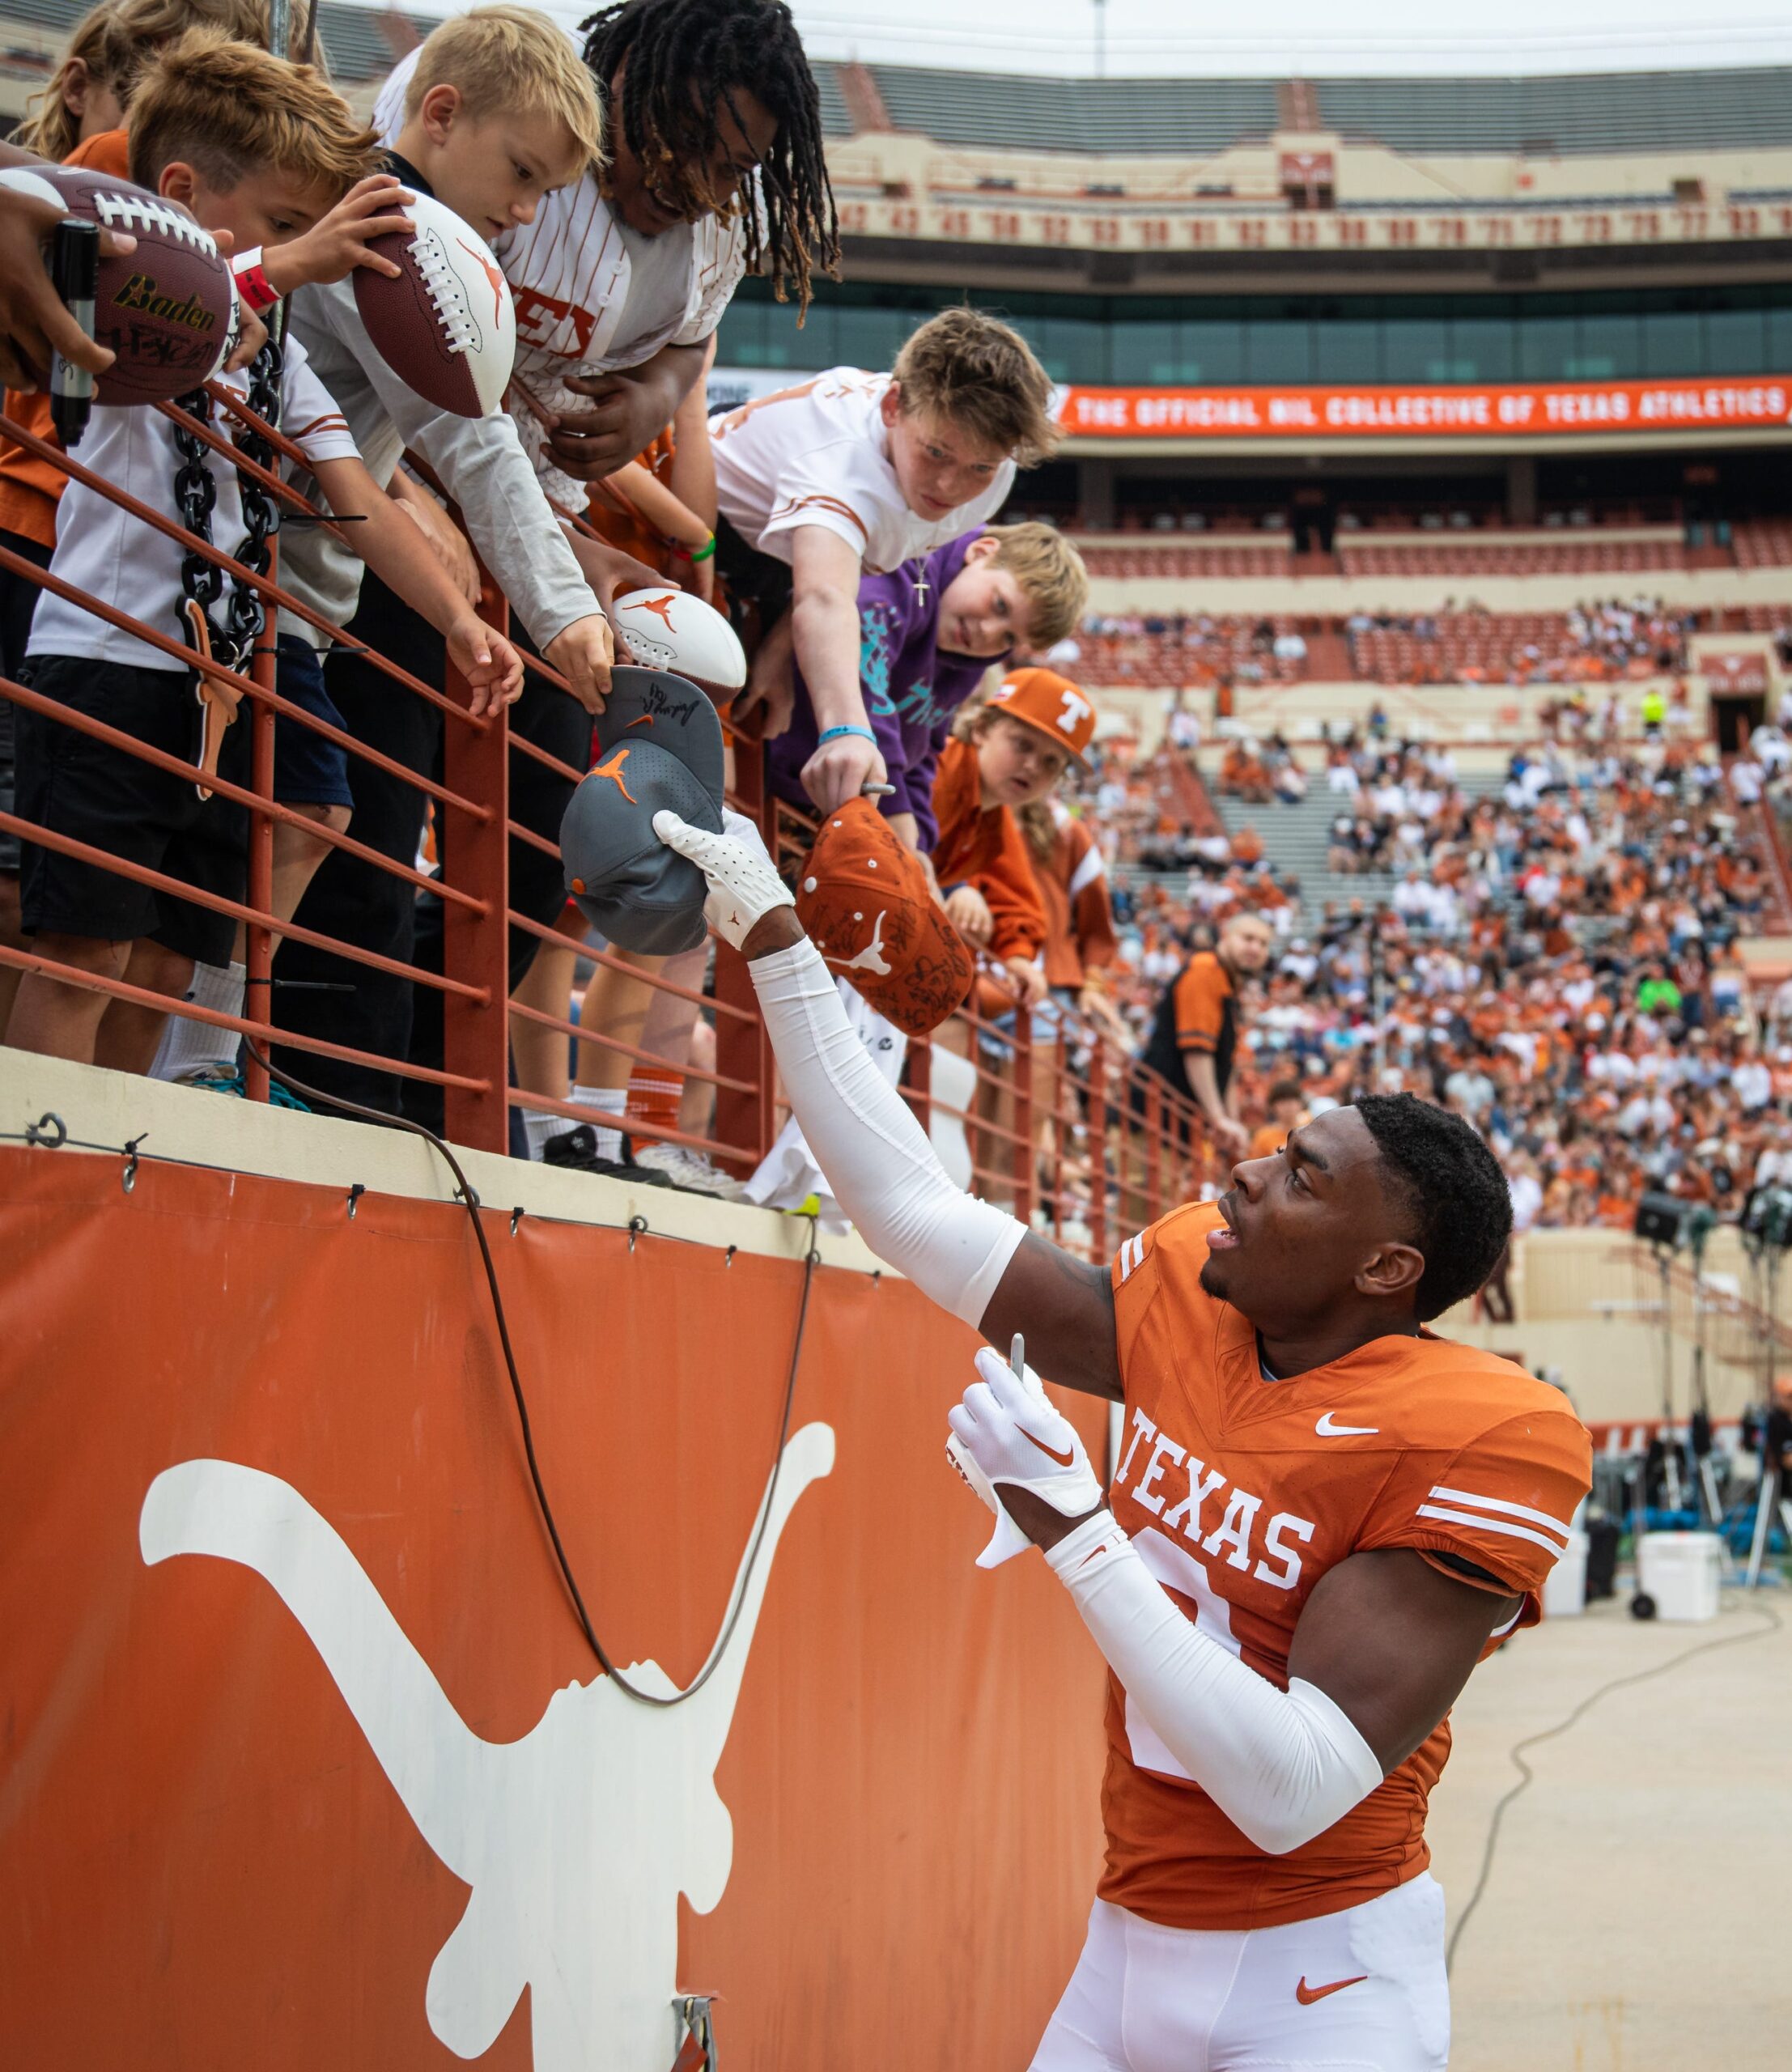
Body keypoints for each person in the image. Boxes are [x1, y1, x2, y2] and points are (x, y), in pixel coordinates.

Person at [651, 805, 1592, 2072]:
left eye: (1303, 1177)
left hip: (1324, 1973)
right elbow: (913, 1211)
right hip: (1124, 1942)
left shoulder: (1478, 1434)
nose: (1248, 1175)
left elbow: (1294, 1789)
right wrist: (773, 939)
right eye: (1276, 1146)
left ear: (1384, 1268)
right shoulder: (1185, 1312)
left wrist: (1081, 1535)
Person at [6, 30, 521, 1071]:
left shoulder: (277, 354)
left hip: (218, 688)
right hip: (108, 666)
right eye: (287, 222)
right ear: (182, 193)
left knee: (159, 962)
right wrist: (294, 257)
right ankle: (37, 1178)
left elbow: (359, 501)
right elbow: (192, 305)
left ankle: (119, 1175)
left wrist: (463, 623)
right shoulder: (112, 295)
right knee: (81, 950)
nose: (305, 254)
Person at [267, 5, 625, 1122]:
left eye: (542, 195)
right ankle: (331, 1107)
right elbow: (473, 439)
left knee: (355, 846)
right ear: (439, 112)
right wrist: (560, 608)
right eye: (519, 173)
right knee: (352, 854)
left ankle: (356, 1098)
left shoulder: (425, 233)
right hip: (284, 577)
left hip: (315, 582)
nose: (522, 211)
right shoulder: (395, 232)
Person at [711, 307, 1060, 810]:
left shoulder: (994, 473)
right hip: (702, 520)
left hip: (783, 567)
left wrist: (779, 647)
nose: (949, 486)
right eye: (936, 453)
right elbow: (828, 596)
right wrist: (848, 730)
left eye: (978, 467)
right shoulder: (843, 469)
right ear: (893, 406)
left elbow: (854, 571)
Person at [1136, 911, 1275, 1159]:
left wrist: (1232, 1122)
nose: (1255, 948)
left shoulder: (1227, 984)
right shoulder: (1205, 970)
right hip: (1151, 1121)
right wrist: (1219, 1118)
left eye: (1263, 943)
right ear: (1226, 936)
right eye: (1248, 938)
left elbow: (1227, 1067)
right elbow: (1197, 1051)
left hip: (1177, 1126)